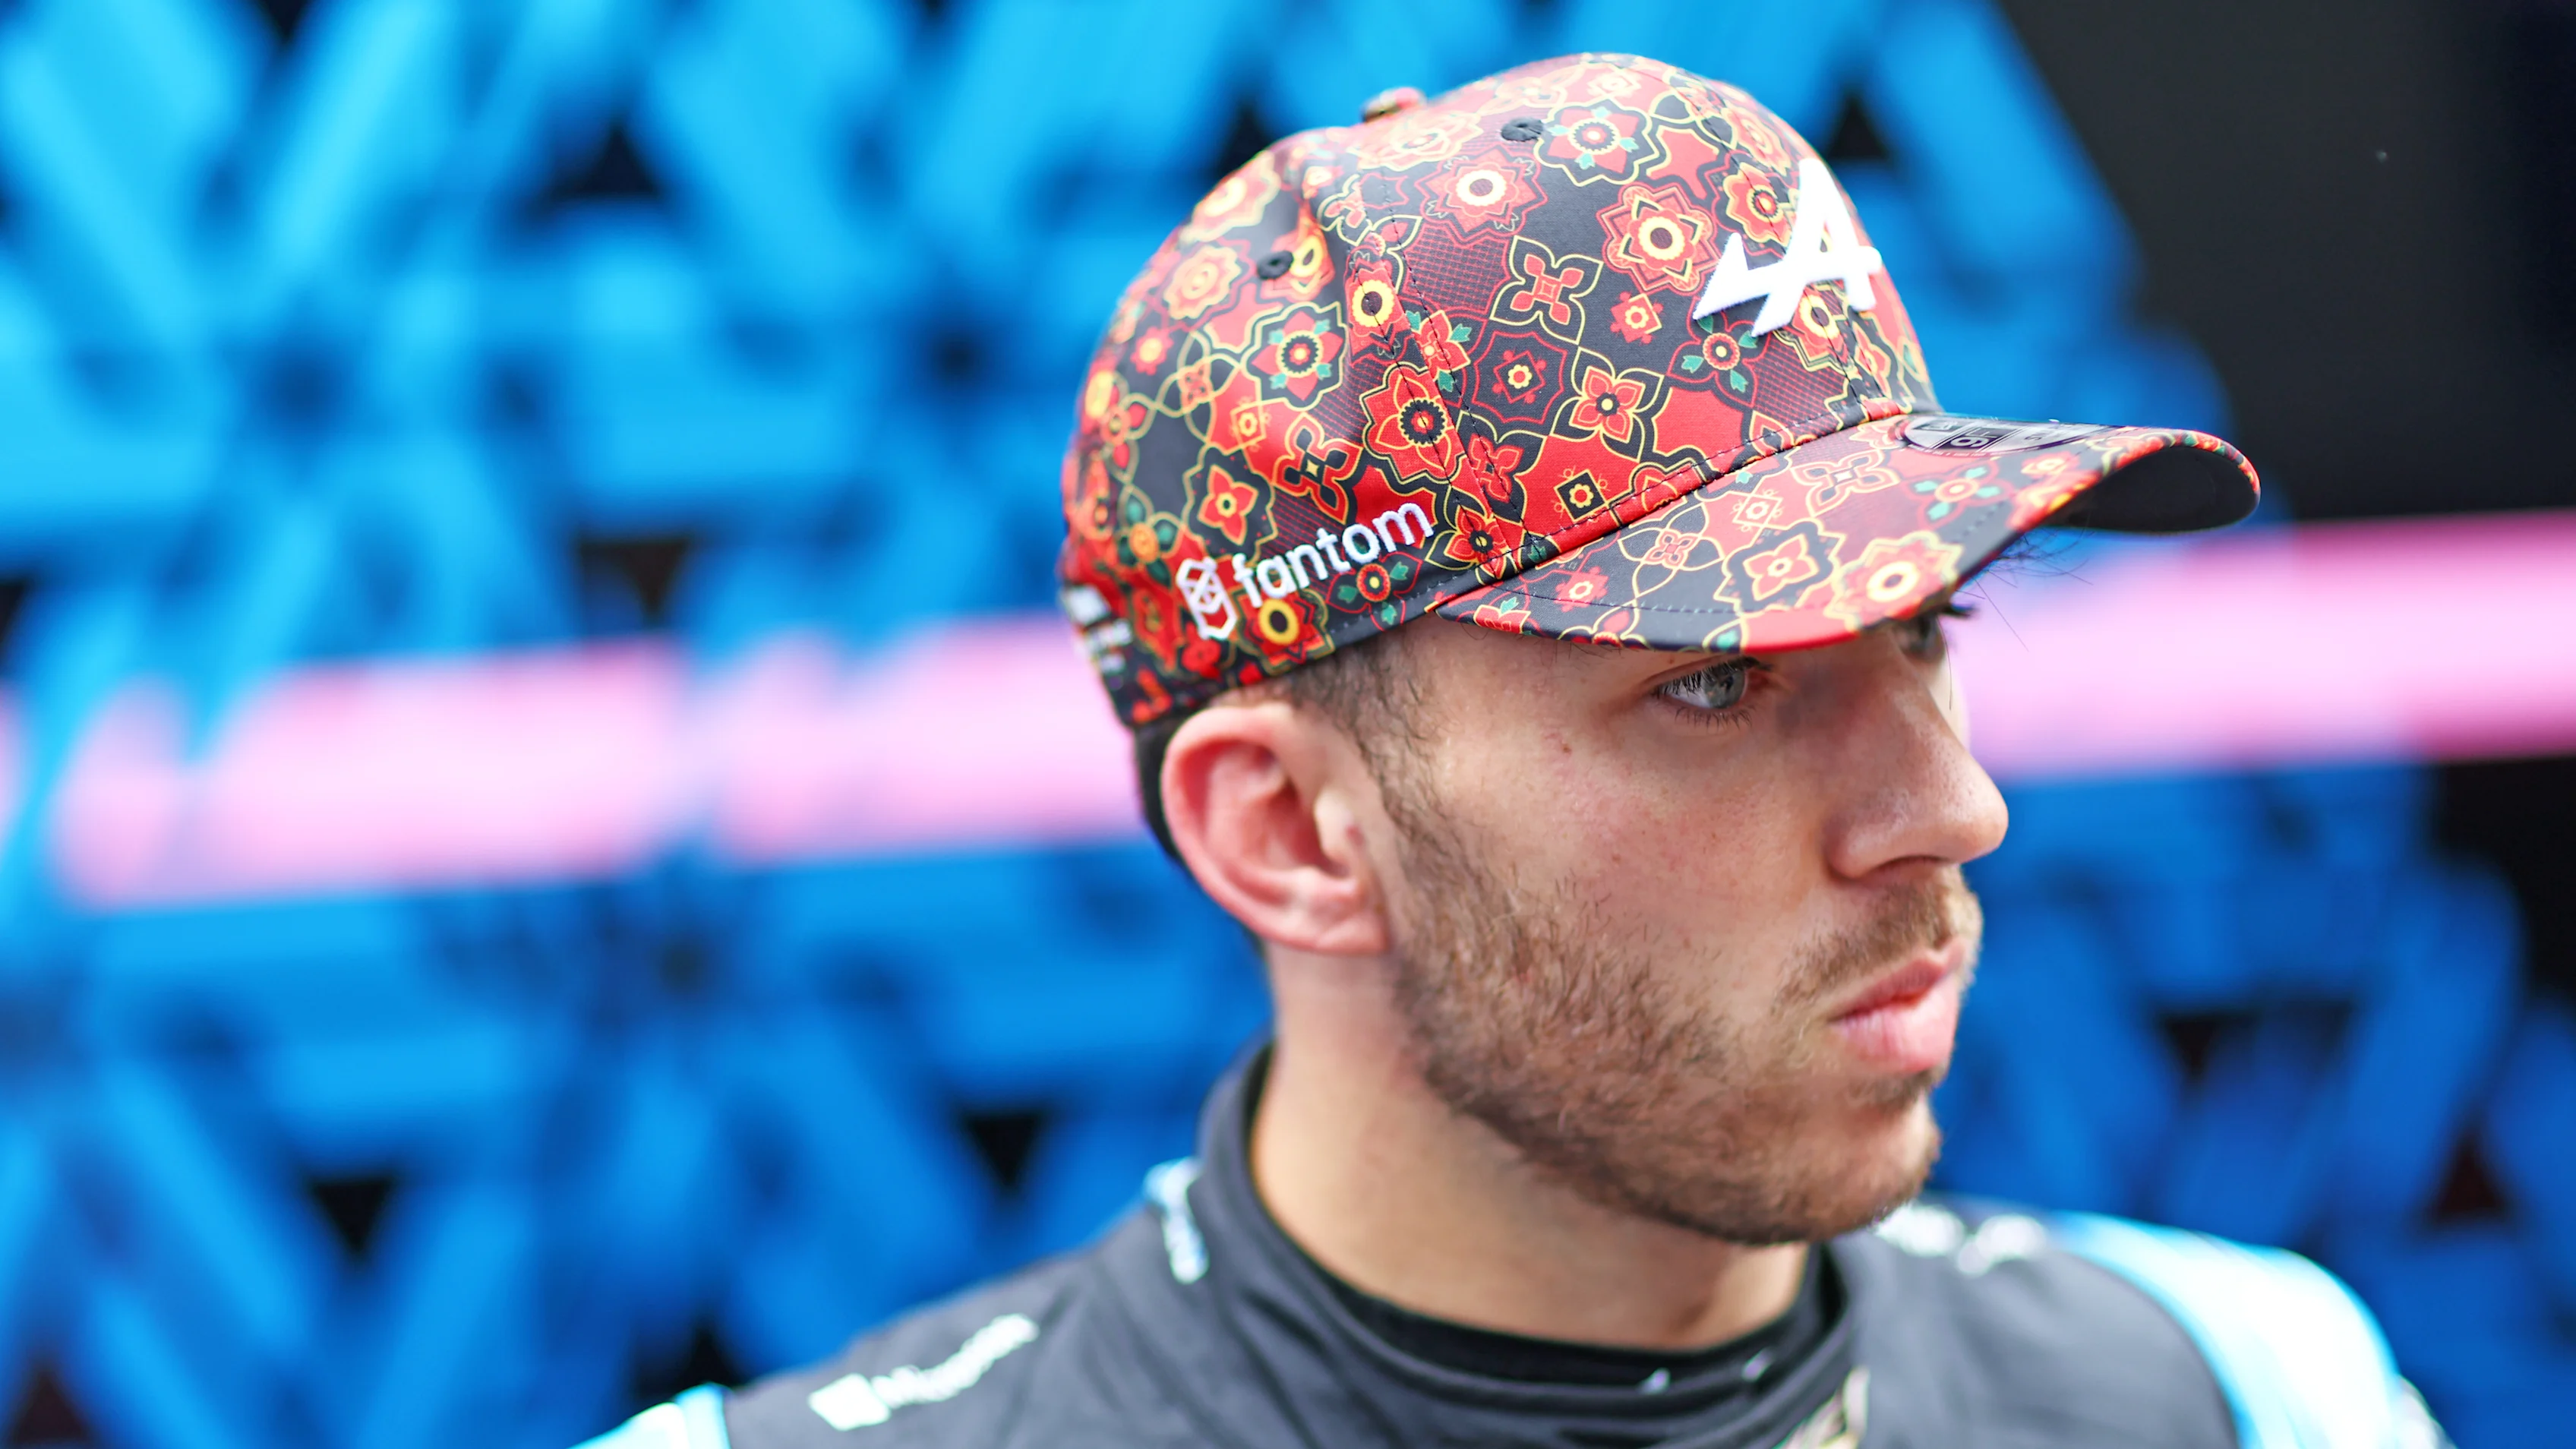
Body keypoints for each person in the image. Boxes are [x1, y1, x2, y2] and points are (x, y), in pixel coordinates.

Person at [586, 54, 2445, 1449]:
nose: (1950, 809)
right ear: (1295, 832)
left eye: (1926, 631)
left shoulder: (2240, 1387)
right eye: (1717, 681)